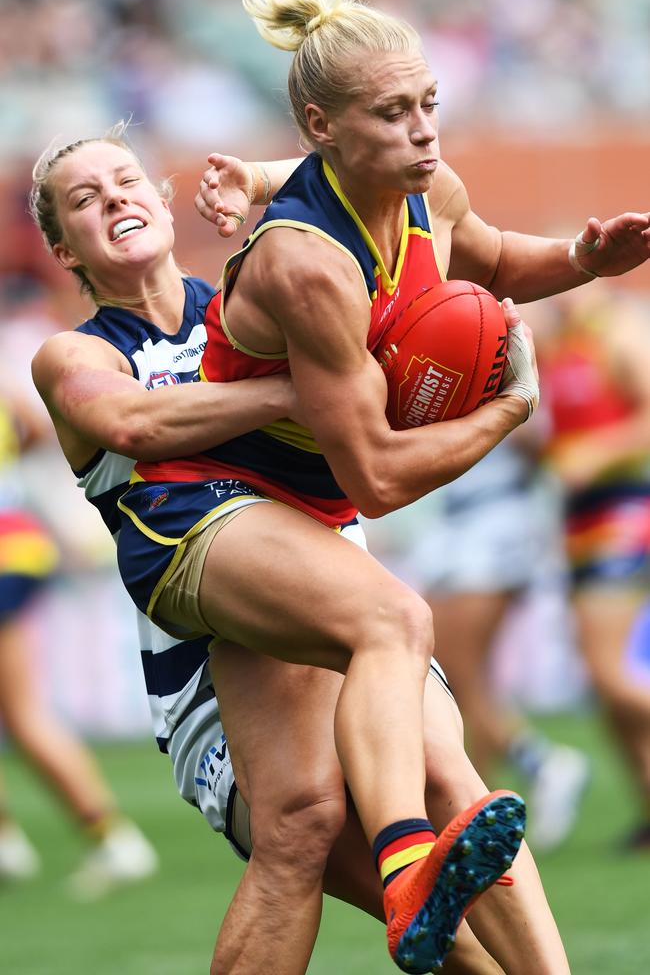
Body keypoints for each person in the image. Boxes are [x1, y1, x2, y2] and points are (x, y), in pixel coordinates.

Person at [113, 0, 650, 971]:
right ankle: (407, 862)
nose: (422, 132)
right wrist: (506, 410)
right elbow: (379, 475)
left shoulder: (425, 194)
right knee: (394, 623)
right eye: (391, 112)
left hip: (308, 520)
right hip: (206, 512)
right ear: (320, 124)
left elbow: (490, 259)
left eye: (429, 105)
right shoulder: (305, 263)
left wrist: (581, 259)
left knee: (432, 782)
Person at [30, 126, 568, 975]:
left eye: (128, 181)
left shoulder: (263, 295)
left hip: (336, 592)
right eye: (86, 200)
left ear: (164, 199)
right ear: (63, 248)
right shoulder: (77, 353)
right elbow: (133, 421)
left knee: (445, 788)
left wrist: (564, 277)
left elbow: (355, 179)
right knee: (303, 829)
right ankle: (404, 860)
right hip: (208, 656)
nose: (117, 200)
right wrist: (312, 381)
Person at [377, 435, 591, 853]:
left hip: (496, 519)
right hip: (454, 521)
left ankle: (530, 770)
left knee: (457, 672)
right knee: (451, 673)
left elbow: (544, 438)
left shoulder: (518, 373)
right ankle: (480, 806)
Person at [0, 385, 158, 899]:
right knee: (22, 710)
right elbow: (33, 432)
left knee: (22, 713)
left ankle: (111, 838)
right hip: (19, 541)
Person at [536, 284, 650, 852]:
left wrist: (595, 455)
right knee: (602, 686)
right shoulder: (560, 341)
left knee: (609, 674)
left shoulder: (620, 335)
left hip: (623, 508)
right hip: (580, 517)